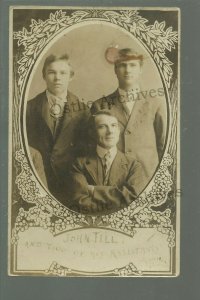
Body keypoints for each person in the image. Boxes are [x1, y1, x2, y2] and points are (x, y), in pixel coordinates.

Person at [91, 48, 167, 181]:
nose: (128, 70)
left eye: (133, 65)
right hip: (112, 182)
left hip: (147, 178)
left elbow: (164, 145)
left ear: (140, 69)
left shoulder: (156, 103)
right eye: (122, 65)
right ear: (115, 69)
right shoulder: (100, 105)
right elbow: (93, 149)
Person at [26, 53, 89, 199]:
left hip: (71, 182)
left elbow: (86, 150)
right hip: (40, 179)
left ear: (71, 76)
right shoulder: (30, 108)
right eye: (51, 72)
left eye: (63, 73)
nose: (57, 78)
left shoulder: (83, 110)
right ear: (43, 76)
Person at [65, 110, 146, 214]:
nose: (110, 131)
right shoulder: (79, 164)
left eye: (113, 126)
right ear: (92, 132)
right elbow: (79, 202)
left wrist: (93, 190)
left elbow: (133, 197)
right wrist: (117, 204)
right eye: (102, 126)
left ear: (119, 130)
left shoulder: (134, 165)